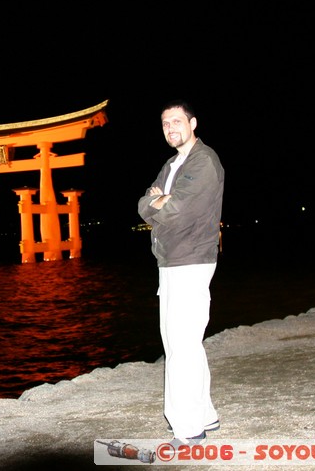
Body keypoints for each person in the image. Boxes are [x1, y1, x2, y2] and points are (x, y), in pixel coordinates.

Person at [137, 101, 224, 446]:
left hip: (189, 259)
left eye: (176, 121)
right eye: (165, 124)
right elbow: (144, 204)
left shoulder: (204, 162)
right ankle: (205, 415)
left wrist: (161, 203)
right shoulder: (172, 164)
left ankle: (186, 430)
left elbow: (173, 210)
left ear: (193, 123)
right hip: (172, 261)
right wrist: (157, 202)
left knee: (180, 347)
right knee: (186, 343)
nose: (170, 127)